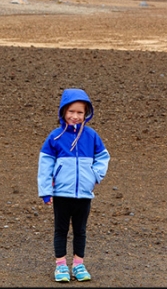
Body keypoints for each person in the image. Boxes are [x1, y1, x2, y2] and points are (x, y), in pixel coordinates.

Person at [38, 88, 110, 282]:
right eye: (71, 112)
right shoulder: (55, 137)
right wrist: (45, 191)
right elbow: (45, 164)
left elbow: (103, 157)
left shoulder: (92, 136)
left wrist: (94, 176)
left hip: (84, 195)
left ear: (86, 113)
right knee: (61, 230)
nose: (75, 116)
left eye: (80, 112)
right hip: (61, 193)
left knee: (80, 231)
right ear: (63, 112)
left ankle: (78, 264)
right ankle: (61, 266)